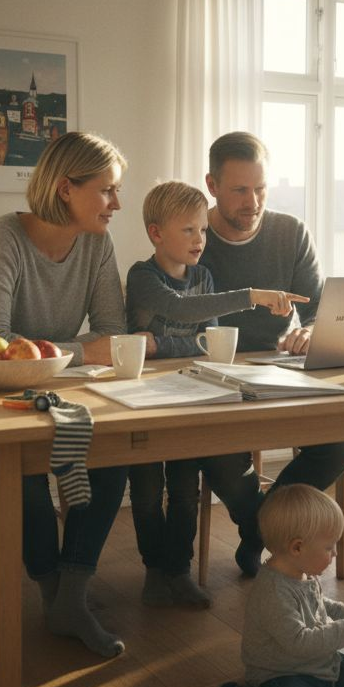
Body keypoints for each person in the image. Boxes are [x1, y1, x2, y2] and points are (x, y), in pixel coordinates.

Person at [0, 131, 133, 657]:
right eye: (107, 190)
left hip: (52, 405)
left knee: (112, 459)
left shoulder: (97, 243)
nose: (117, 203)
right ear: (66, 188)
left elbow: (115, 330)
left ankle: (72, 595)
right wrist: (79, 351)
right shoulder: (3, 237)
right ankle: (55, 594)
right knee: (25, 476)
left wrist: (50, 353)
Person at [125, 181, 306, 608]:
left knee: (186, 489)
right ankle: (154, 569)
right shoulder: (142, 277)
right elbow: (182, 311)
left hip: (190, 394)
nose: (200, 240)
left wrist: (161, 345)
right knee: (148, 490)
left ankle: (179, 569)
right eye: (189, 231)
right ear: (156, 233)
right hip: (142, 402)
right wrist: (253, 297)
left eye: (202, 231)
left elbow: (204, 341)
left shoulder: (204, 277)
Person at [196, 131, 344, 576]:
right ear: (212, 185)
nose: (253, 202)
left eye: (261, 188)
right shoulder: (193, 234)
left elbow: (320, 307)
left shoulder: (290, 232)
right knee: (220, 454)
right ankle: (266, 536)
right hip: (214, 375)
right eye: (240, 190)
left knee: (340, 445)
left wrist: (310, 330)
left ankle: (255, 534)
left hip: (278, 370)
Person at [189, 485, 344, 687]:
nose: (335, 553)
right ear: (297, 547)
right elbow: (299, 641)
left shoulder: (301, 572)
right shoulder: (273, 591)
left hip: (311, 663)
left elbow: (319, 606)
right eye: (329, 547)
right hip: (282, 672)